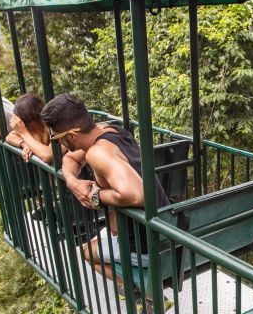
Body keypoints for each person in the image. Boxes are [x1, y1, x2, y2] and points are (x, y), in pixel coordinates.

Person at [41, 93, 168, 286]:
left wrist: (95, 196)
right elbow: (71, 158)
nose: (58, 144)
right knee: (98, 239)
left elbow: (136, 194)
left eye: (56, 139)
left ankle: (146, 289)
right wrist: (72, 182)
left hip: (148, 245)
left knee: (86, 252)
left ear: (72, 136)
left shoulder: (98, 153)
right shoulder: (109, 131)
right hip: (165, 227)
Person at [8, 93, 58, 162]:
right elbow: (10, 136)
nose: (26, 127)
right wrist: (25, 144)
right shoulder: (32, 128)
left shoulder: (55, 126)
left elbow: (47, 155)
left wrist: (24, 133)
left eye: (26, 124)